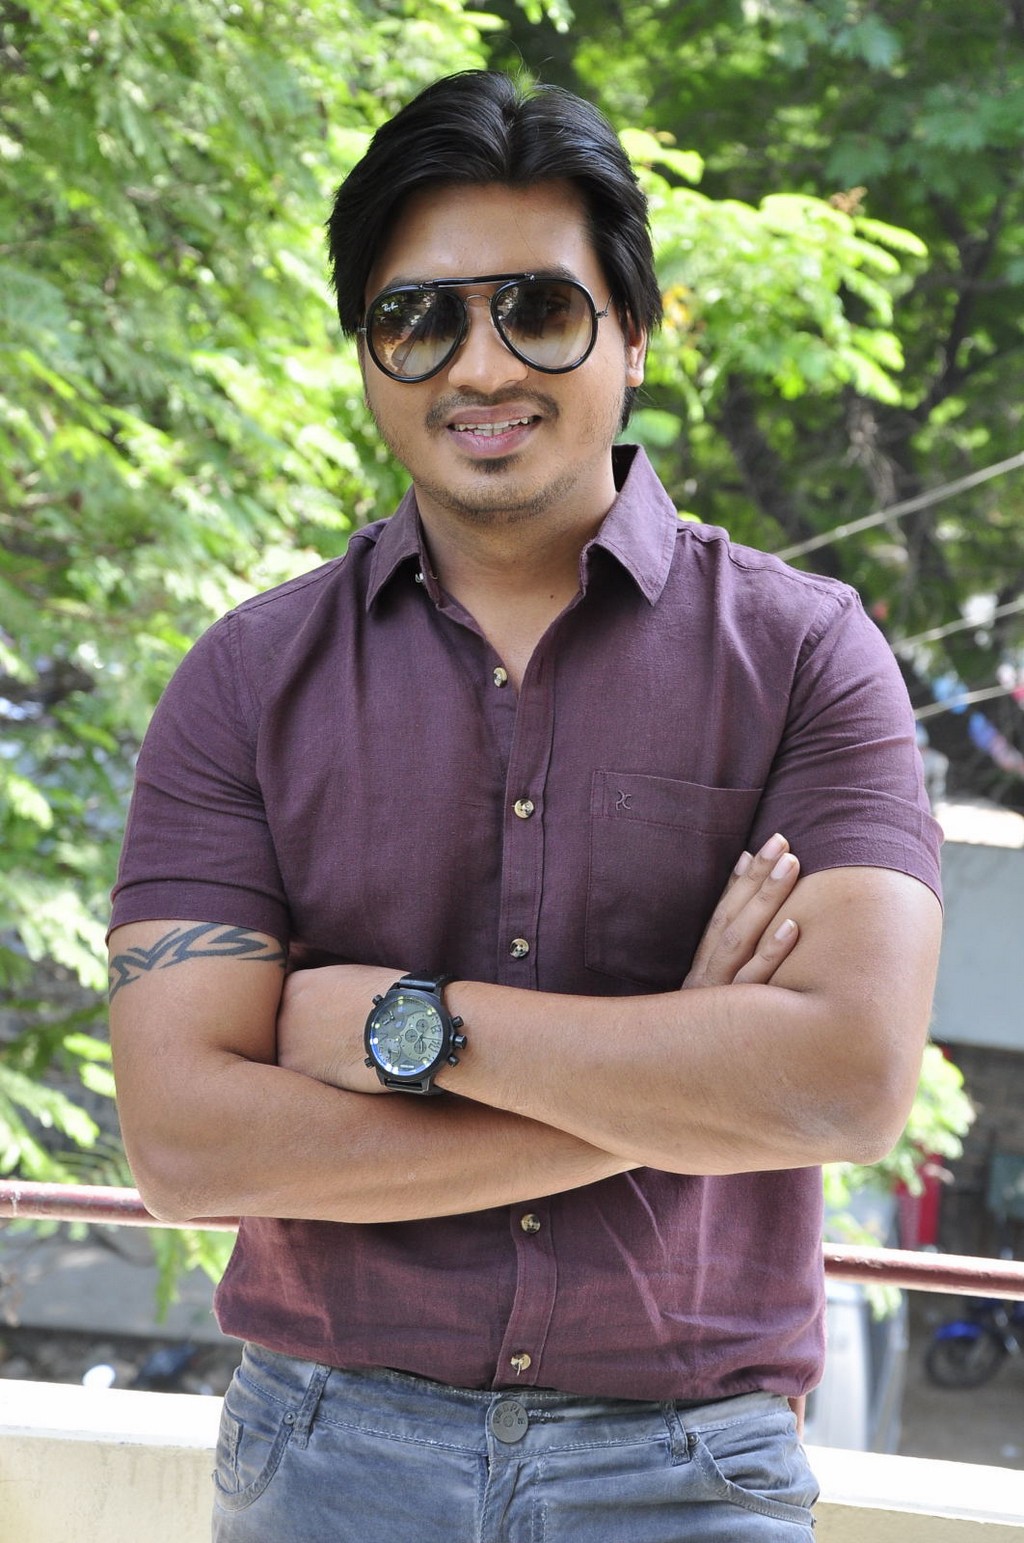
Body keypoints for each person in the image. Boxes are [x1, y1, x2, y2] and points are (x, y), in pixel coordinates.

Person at [107, 69, 943, 1542]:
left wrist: (402, 1026)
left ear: (635, 333)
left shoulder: (805, 656)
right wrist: (679, 1084)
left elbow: (845, 1084)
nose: (479, 365)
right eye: (417, 319)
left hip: (691, 1472)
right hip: (326, 1461)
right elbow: (186, 1145)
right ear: (370, 357)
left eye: (539, 310)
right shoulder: (246, 680)